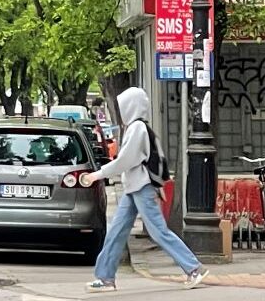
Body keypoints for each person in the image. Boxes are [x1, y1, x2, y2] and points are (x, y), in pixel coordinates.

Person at [79, 87, 208, 293]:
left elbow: (125, 161)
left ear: (131, 107)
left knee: (158, 233)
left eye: (123, 107)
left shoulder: (137, 129)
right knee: (116, 232)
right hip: (134, 188)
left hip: (141, 188)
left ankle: (193, 268)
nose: (121, 112)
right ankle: (105, 278)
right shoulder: (137, 128)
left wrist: (97, 175)